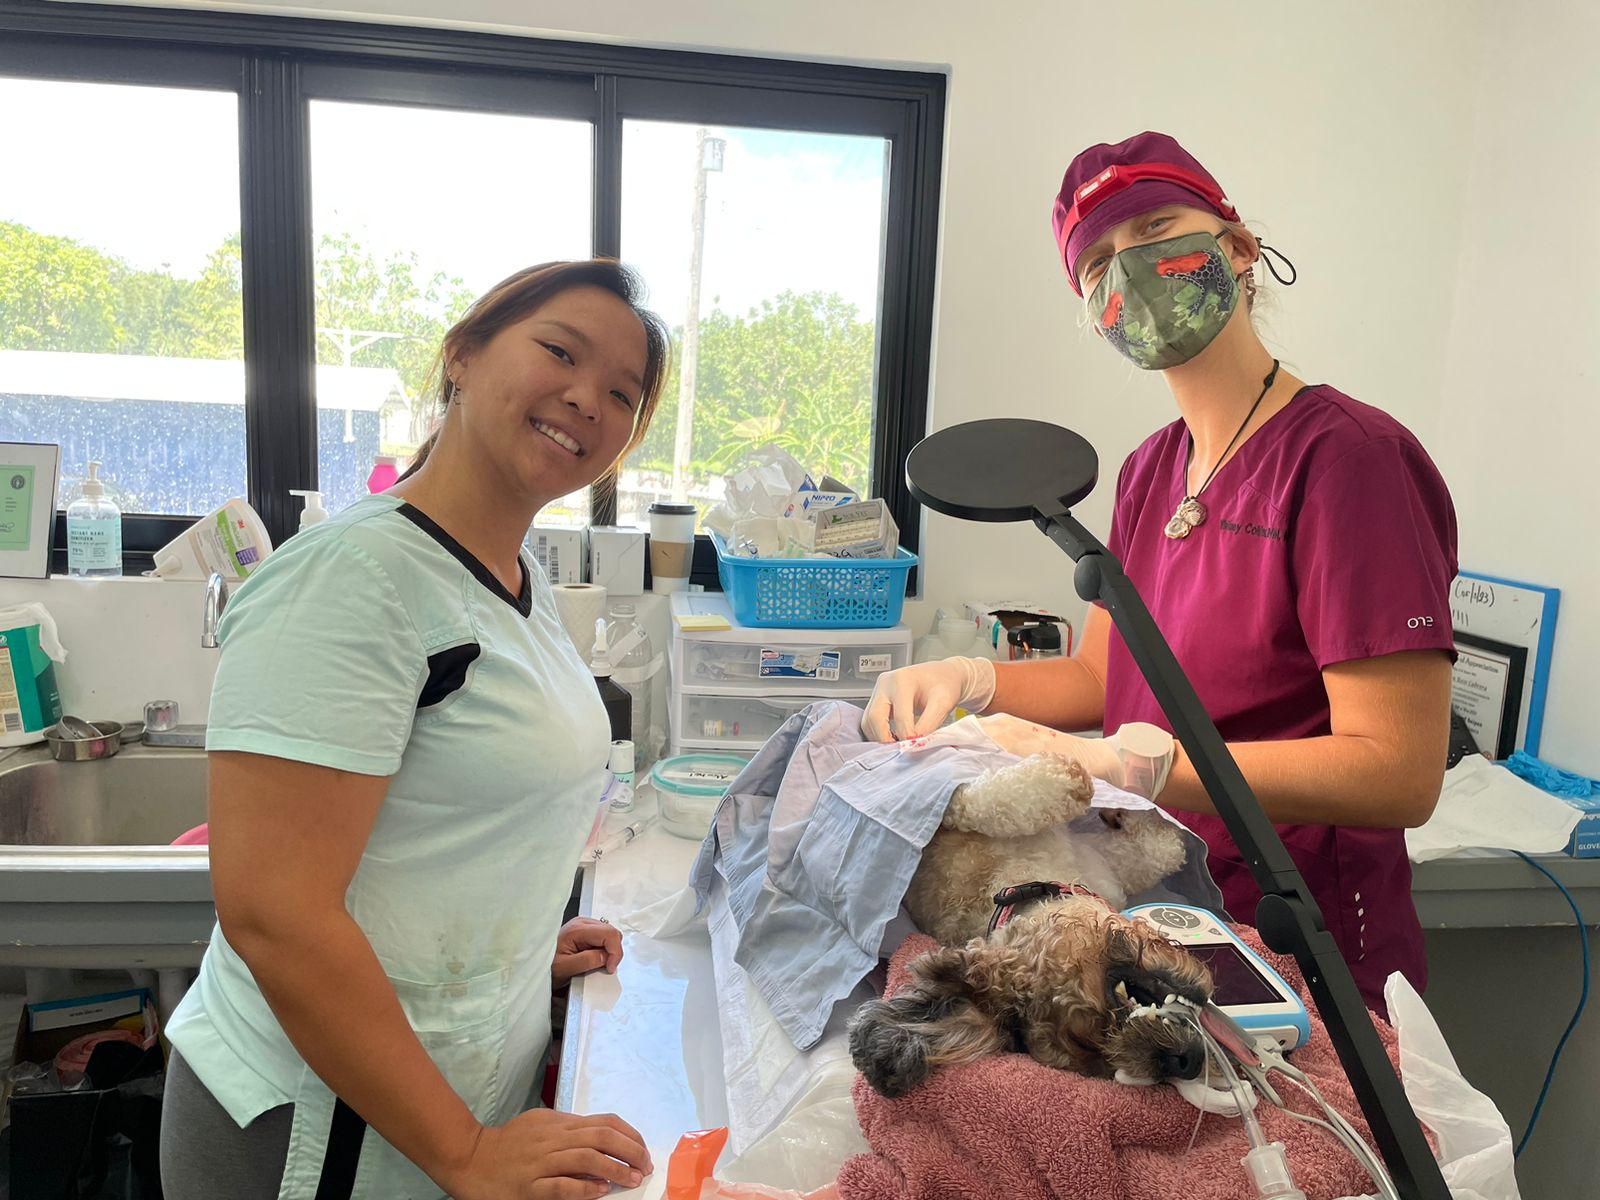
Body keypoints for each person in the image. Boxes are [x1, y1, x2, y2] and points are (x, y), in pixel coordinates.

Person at [863, 132, 1456, 1013]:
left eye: (1156, 230)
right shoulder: (1151, 470)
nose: (1127, 269)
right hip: (1160, 903)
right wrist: (971, 681)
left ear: (1240, 248)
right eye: (1096, 260)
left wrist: (1131, 766)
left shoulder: (1347, 459)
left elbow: (1398, 771)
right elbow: (1104, 679)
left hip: (1297, 932)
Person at [159, 260, 671, 1199]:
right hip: (319, 1127)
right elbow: (276, 913)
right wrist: (466, 1155)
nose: (586, 400)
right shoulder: (352, 578)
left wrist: (512, 953)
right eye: (559, 351)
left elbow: (442, 817)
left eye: (622, 395)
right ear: (464, 356)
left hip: (444, 1088)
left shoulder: (518, 579)